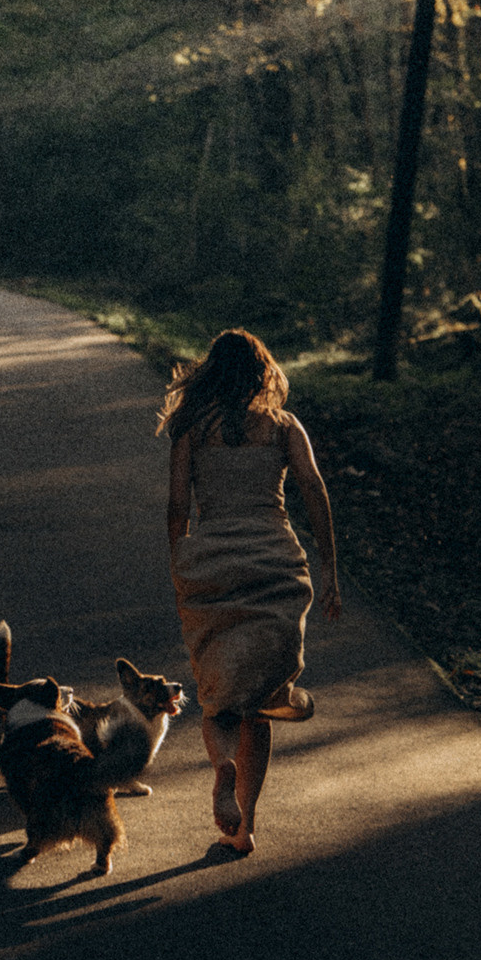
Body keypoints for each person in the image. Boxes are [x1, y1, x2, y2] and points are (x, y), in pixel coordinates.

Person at [159, 328, 340, 856]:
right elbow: (314, 489)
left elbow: (177, 507)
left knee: (218, 699)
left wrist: (181, 566)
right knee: (260, 702)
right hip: (274, 564)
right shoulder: (284, 427)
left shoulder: (190, 429)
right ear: (265, 372)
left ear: (210, 372)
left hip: (211, 564)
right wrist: (329, 568)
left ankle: (223, 768)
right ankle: (245, 828)